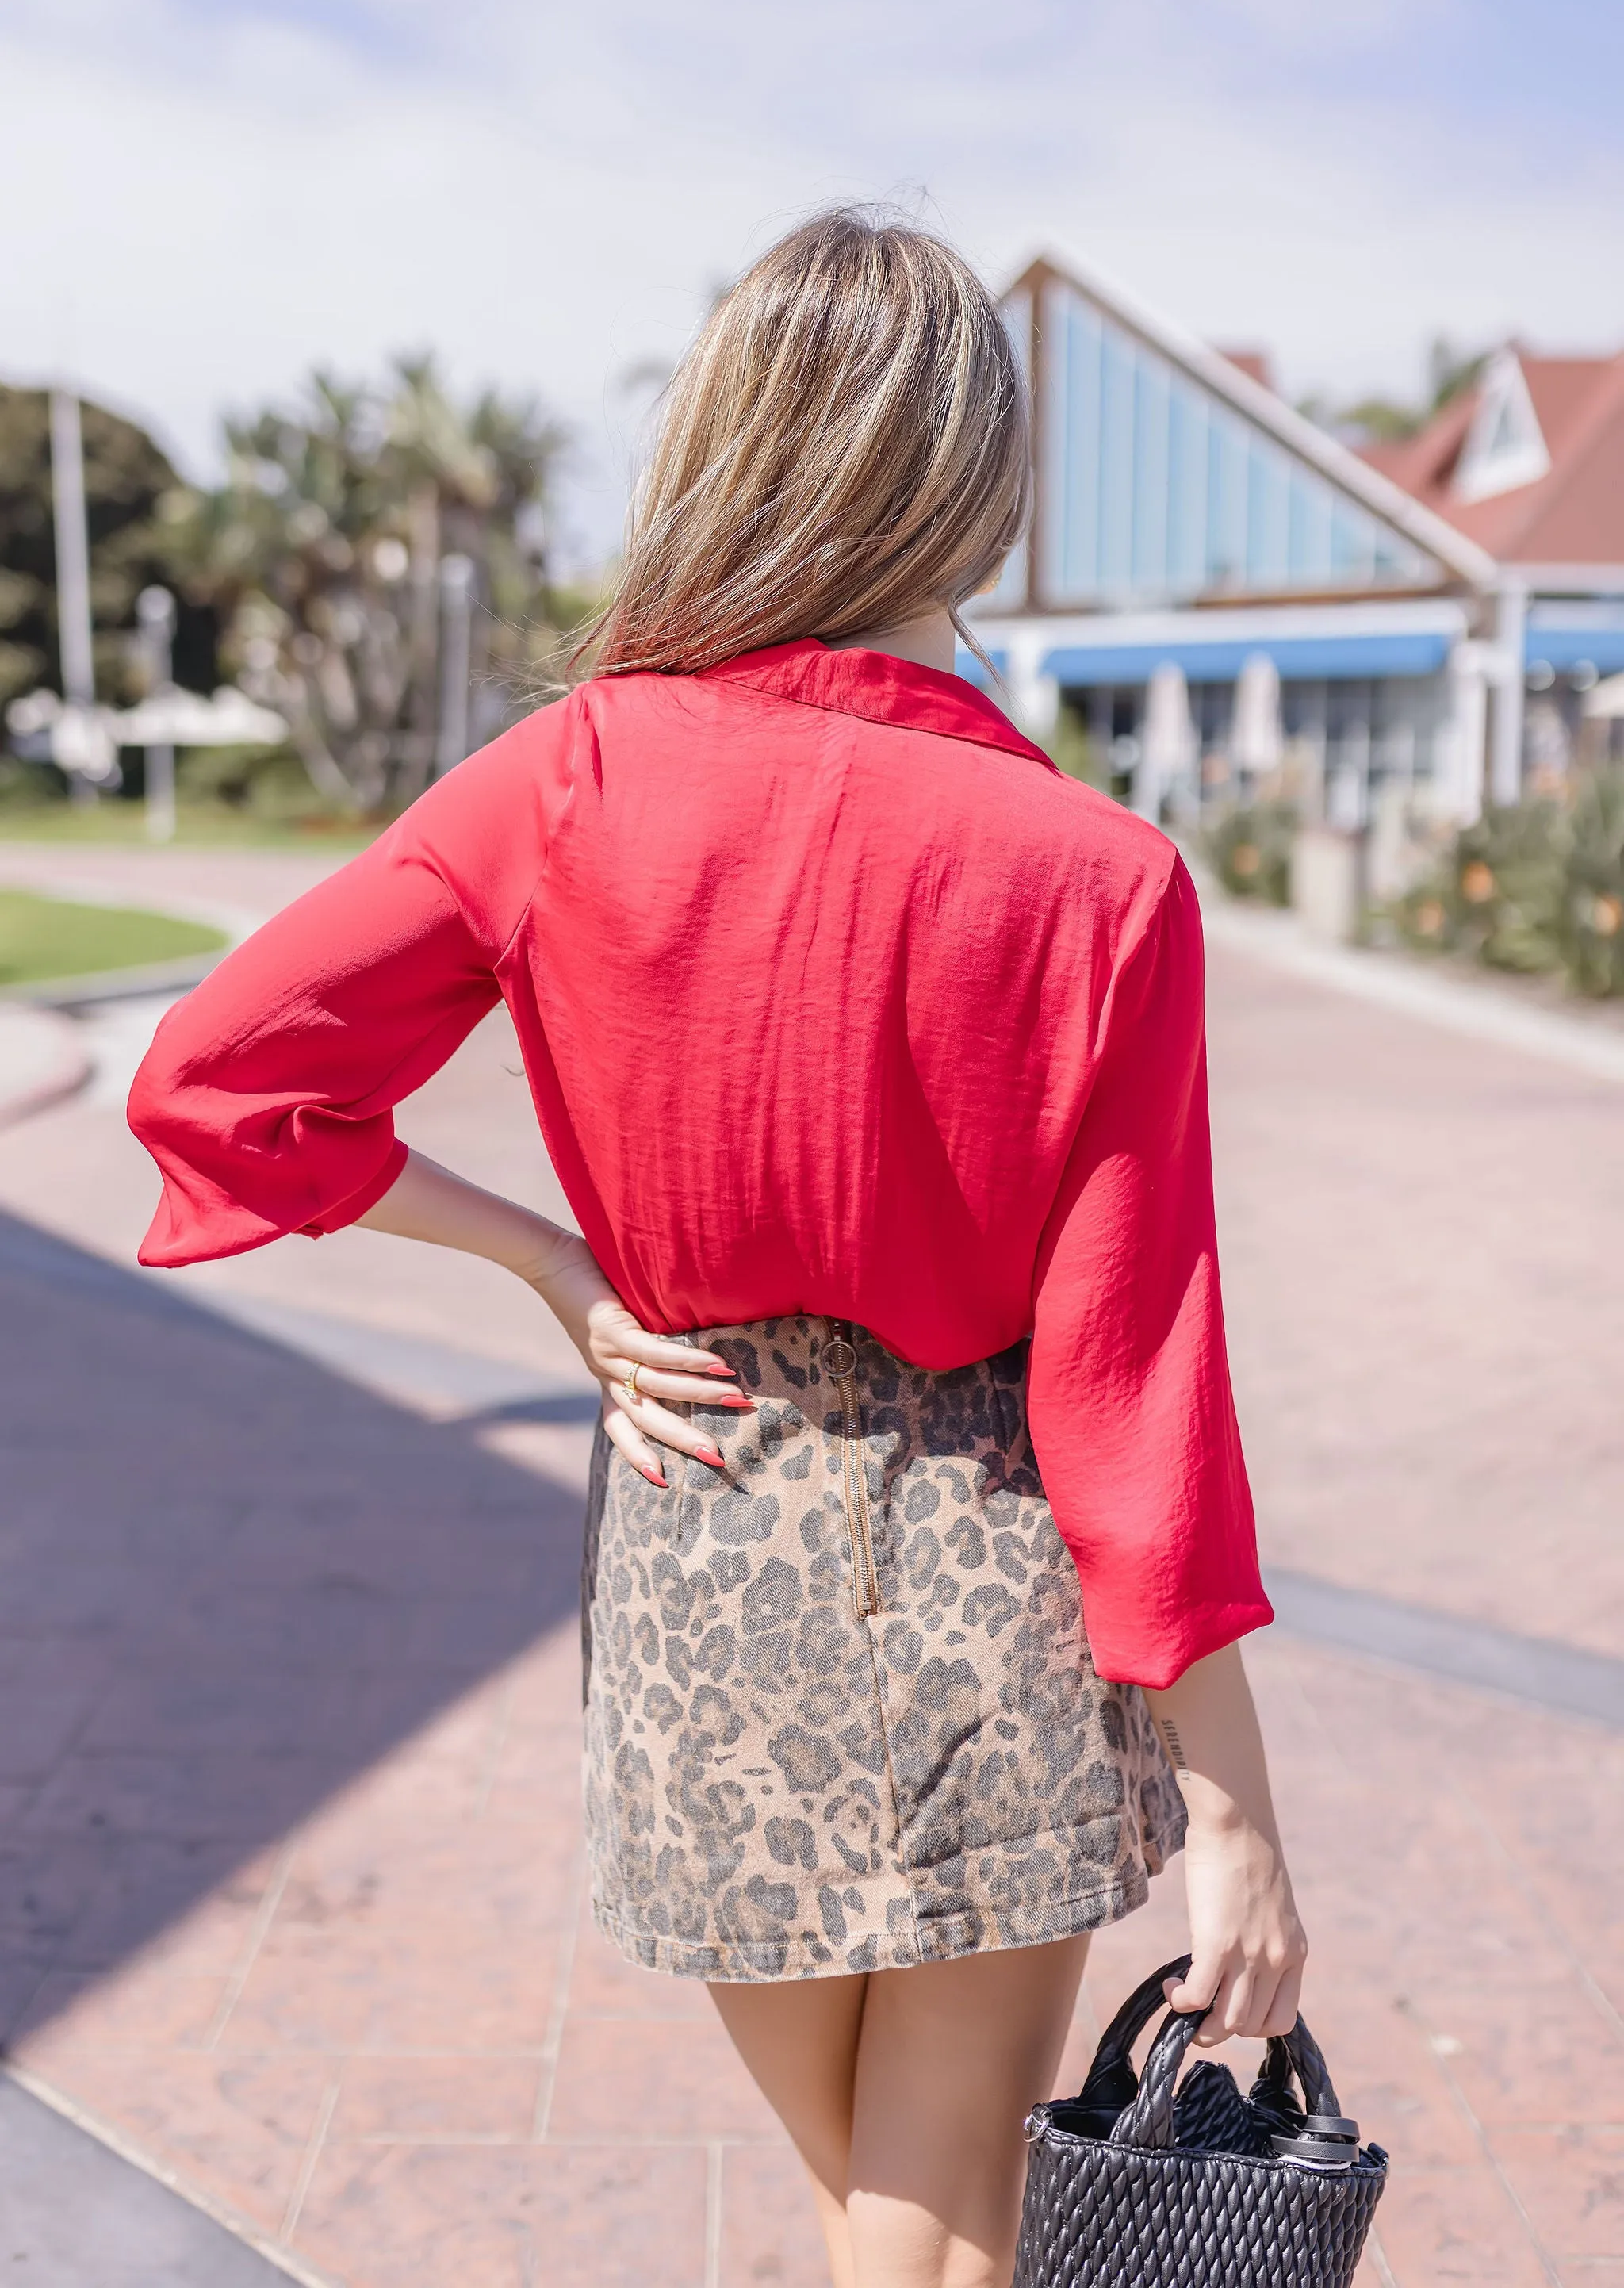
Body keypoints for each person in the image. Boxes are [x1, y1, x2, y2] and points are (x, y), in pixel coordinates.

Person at [128, 209, 1305, 2288]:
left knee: (894, 2211)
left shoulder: (568, 777)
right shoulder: (1099, 875)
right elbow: (1133, 1376)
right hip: (988, 1581)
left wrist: (553, 1270)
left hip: (708, 1538)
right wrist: (1236, 1813)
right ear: (978, 489)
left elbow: (225, 1083)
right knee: (940, 2217)